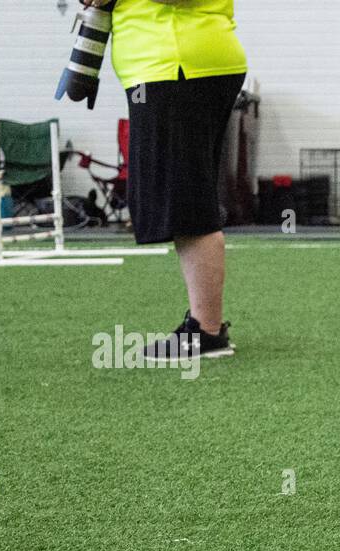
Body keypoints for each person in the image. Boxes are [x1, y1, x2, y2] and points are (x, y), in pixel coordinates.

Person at [82, 0, 248, 359]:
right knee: (186, 192)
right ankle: (205, 328)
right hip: (176, 65)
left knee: (186, 196)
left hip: (177, 66)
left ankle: (206, 331)